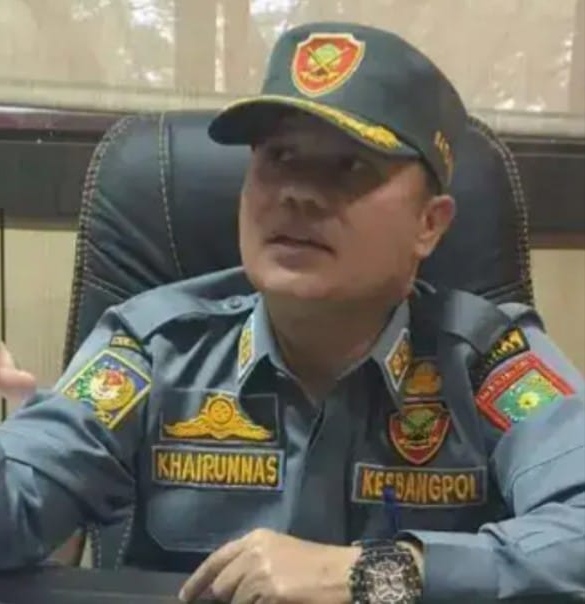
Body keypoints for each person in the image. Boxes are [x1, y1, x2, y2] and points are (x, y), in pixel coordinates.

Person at [1, 21, 584, 604]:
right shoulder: (153, 347)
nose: (297, 194)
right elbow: (20, 495)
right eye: (279, 157)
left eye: (349, 167)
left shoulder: (487, 361)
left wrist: (376, 573)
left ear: (428, 225)